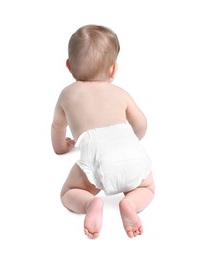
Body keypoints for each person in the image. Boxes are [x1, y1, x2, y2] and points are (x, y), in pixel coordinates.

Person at [51, 24, 155, 239]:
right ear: (113, 69)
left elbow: (57, 127)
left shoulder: (67, 94)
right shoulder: (120, 93)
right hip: (131, 151)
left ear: (69, 66)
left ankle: (90, 203)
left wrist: (61, 148)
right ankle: (130, 203)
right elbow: (142, 125)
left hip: (97, 155)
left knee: (68, 192)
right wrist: (131, 140)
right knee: (147, 187)